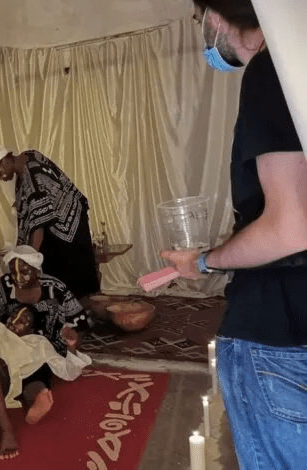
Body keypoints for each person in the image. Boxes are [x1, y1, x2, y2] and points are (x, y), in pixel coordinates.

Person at [160, 2, 307, 468]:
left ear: (218, 15)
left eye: (198, 18)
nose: (204, 34)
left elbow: (291, 229)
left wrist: (204, 261)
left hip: (278, 328)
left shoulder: (273, 69)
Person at [0, 245, 91, 459]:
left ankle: (35, 399)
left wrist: (72, 340)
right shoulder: (4, 285)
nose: (18, 277)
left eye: (25, 271)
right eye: (13, 271)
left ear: (37, 270)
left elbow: (80, 323)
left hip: (41, 346)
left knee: (38, 368)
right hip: (4, 348)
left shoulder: (55, 288)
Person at [0, 146, 100, 303]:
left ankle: (75, 309)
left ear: (4, 161)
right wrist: (23, 203)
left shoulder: (32, 177)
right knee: (61, 273)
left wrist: (28, 258)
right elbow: (39, 196)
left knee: (68, 276)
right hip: (64, 217)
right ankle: (69, 305)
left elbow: (39, 224)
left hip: (68, 225)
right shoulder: (27, 157)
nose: (1, 178)